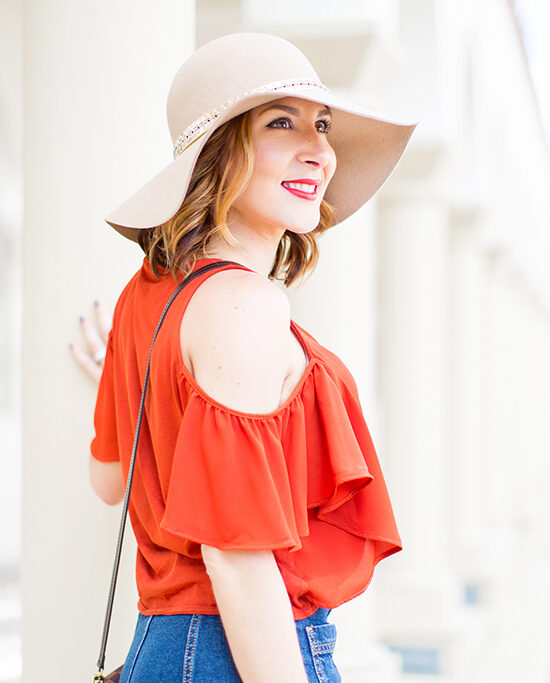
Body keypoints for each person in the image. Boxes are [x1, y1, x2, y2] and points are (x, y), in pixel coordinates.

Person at [83, 32, 417, 683]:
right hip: (235, 652)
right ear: (219, 152)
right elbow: (236, 560)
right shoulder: (245, 304)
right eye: (281, 121)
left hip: (165, 644)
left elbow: (109, 482)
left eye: (322, 125)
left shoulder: (146, 294)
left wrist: (137, 386)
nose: (320, 150)